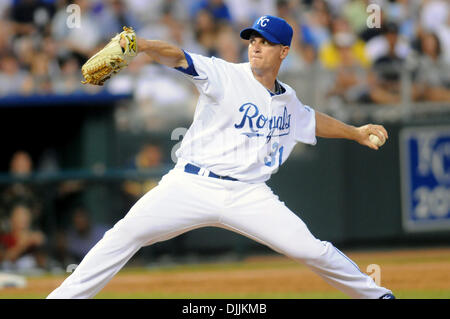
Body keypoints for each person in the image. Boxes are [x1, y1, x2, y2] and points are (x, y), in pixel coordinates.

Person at [48, 15, 395, 299]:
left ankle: (377, 296)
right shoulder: (226, 73)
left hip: (249, 194)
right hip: (191, 184)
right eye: (253, 40)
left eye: (266, 42)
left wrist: (355, 132)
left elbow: (310, 119)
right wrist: (141, 46)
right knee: (123, 235)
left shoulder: (288, 99)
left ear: (284, 51)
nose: (256, 46)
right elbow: (178, 57)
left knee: (312, 250)